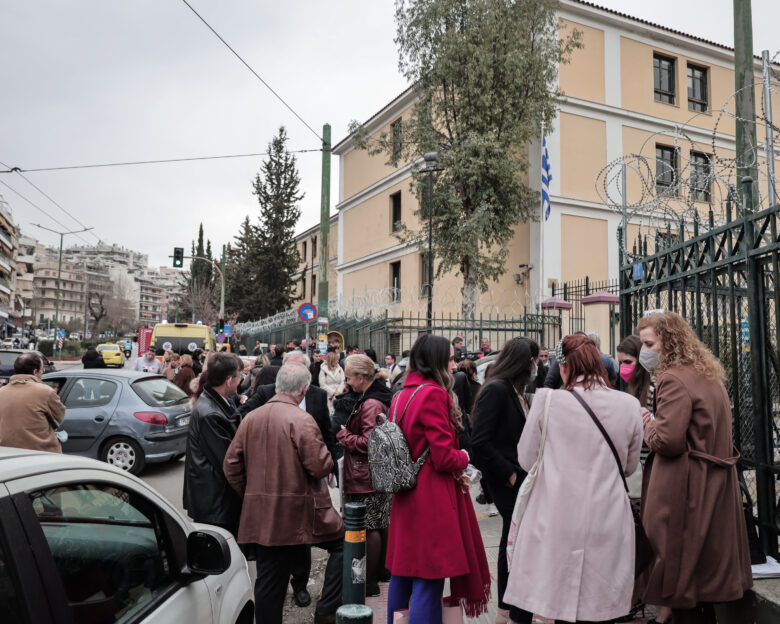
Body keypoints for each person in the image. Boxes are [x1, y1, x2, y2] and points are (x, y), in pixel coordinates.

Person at [504, 334, 642, 624]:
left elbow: (527, 459)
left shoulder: (547, 400)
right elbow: (629, 467)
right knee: (601, 606)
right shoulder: (629, 405)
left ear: (564, 368)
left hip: (556, 518)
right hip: (608, 517)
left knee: (557, 604)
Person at [635, 312, 752, 624]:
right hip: (712, 485)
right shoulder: (707, 374)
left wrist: (649, 425)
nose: (644, 351)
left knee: (681, 571)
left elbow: (669, 440)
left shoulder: (673, 378)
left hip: (686, 489)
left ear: (669, 342)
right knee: (699, 577)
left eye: (650, 343)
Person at [224, 363, 343, 624]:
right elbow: (320, 465)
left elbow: (231, 465)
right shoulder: (301, 419)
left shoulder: (251, 417)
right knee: (344, 544)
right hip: (297, 512)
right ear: (303, 390)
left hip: (262, 516)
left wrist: (252, 493)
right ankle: (326, 610)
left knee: (268, 581)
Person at [386, 334, 490, 623]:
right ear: (437, 362)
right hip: (431, 497)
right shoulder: (433, 393)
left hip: (405, 492)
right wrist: (465, 457)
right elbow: (444, 457)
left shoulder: (401, 394)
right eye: (451, 358)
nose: (455, 364)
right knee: (429, 577)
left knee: (402, 573)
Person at [471, 337, 538, 624]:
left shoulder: (514, 390)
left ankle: (507, 609)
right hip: (505, 479)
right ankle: (509, 608)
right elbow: (480, 441)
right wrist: (509, 474)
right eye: (534, 360)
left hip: (515, 476)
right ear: (524, 362)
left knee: (510, 539)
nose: (537, 366)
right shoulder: (497, 390)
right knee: (514, 540)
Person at [336, 353, 394, 596]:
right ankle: (381, 573)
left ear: (361, 377)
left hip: (365, 477)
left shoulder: (370, 403)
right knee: (379, 525)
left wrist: (344, 436)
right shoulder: (377, 397)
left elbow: (371, 441)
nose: (347, 383)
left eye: (349, 378)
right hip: (375, 475)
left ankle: (368, 583)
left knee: (370, 528)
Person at [182, 352, 244, 535]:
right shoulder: (210, 414)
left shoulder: (217, 403)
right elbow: (228, 460)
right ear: (229, 380)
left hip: (215, 498)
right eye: (240, 377)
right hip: (215, 502)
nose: (241, 381)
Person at [0, 352, 66, 453]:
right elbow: (59, 418)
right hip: (41, 453)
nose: (42, 373)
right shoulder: (46, 392)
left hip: (8, 454)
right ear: (35, 372)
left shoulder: (1, 392)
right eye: (41, 370)